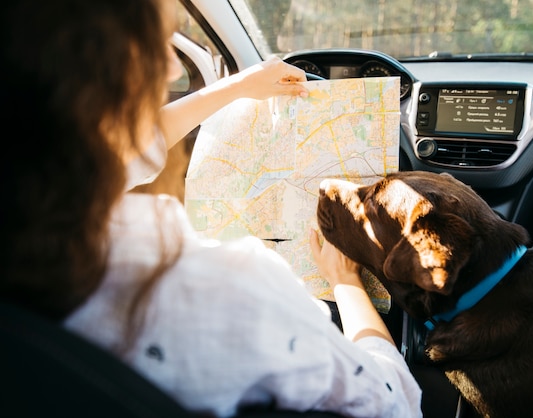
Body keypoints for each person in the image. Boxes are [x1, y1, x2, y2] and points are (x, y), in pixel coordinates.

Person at [0, 0, 423, 417]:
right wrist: (344, 281)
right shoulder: (227, 290)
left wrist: (238, 86)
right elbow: (395, 403)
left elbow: (121, 147)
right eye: (156, 46)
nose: (169, 69)